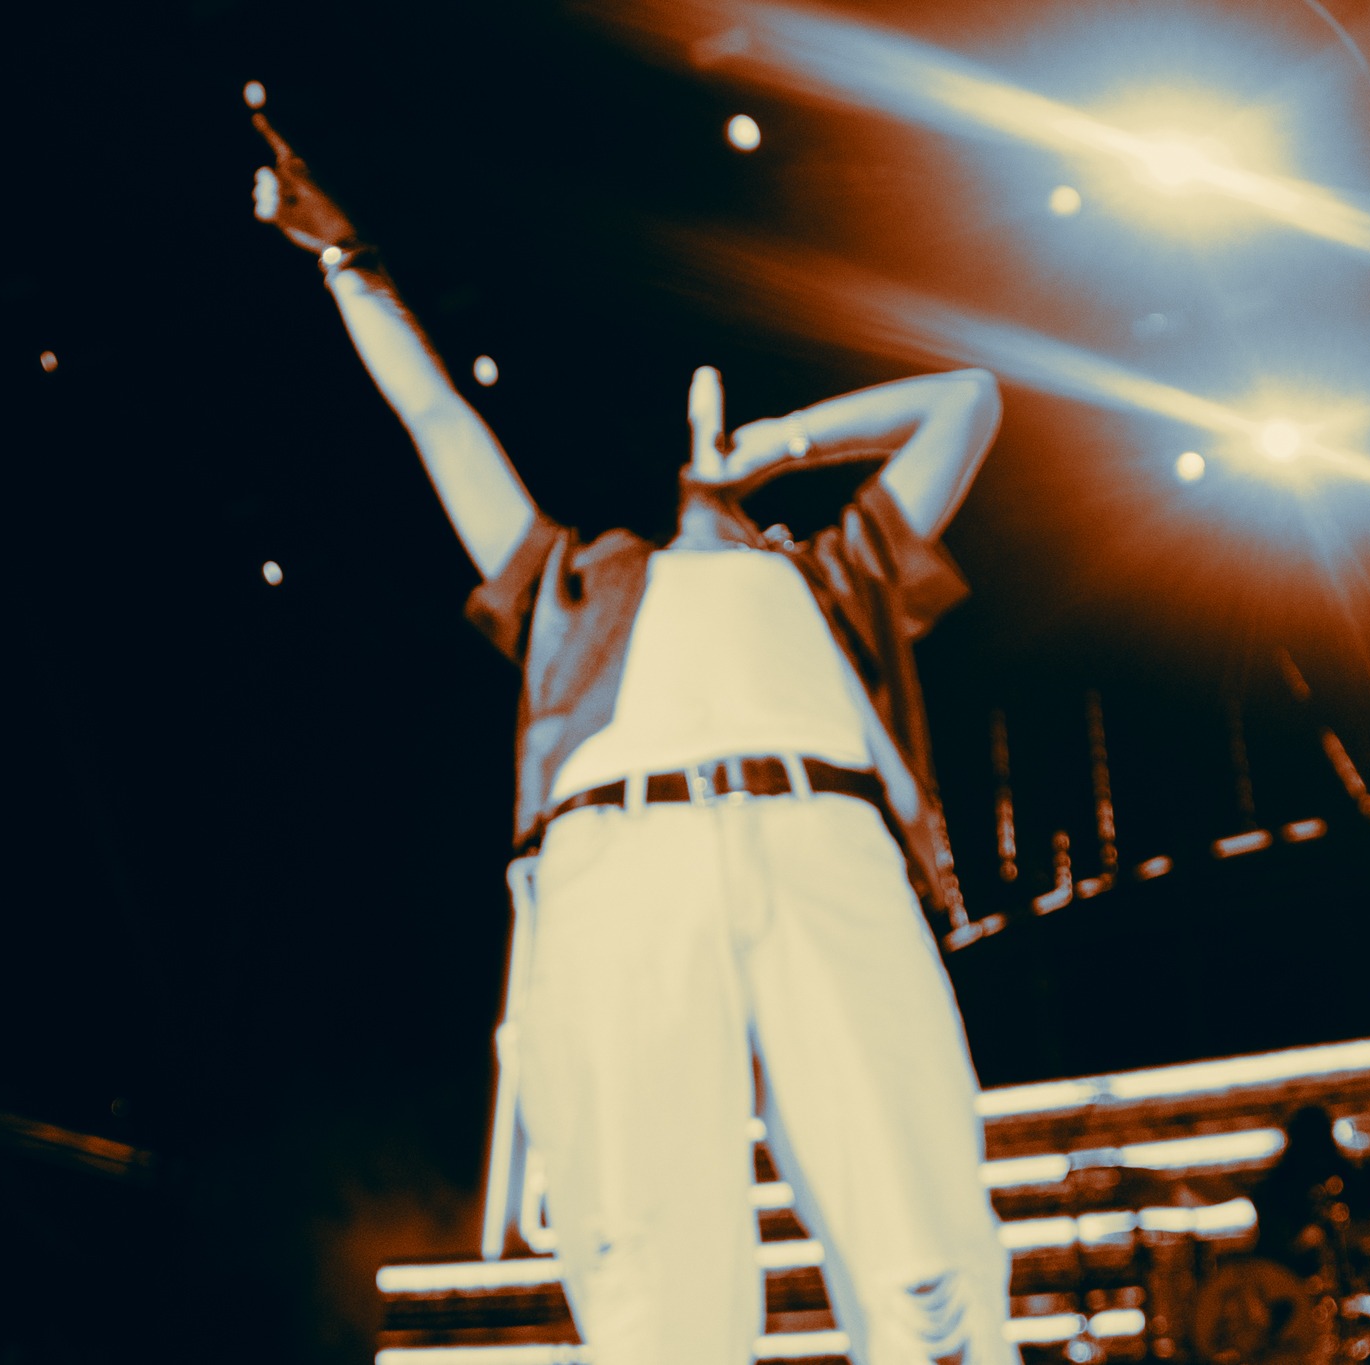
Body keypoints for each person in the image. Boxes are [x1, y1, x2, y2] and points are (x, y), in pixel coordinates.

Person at [252, 113, 1013, 1365]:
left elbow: (966, 403)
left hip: (823, 846)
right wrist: (346, 262)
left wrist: (773, 450)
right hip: (619, 859)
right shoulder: (572, 584)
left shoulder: (830, 575)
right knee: (650, 1268)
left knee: (922, 1240)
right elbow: (438, 418)